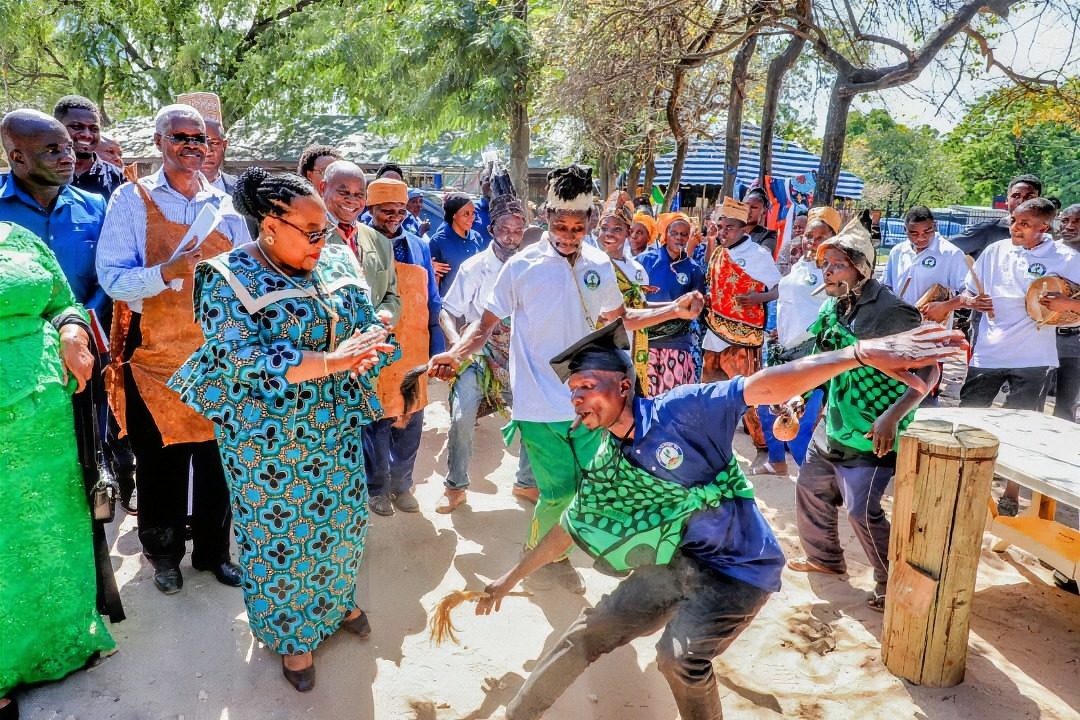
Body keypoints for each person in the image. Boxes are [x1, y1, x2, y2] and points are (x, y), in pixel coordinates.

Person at [476, 319, 967, 720]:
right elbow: (568, 528)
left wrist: (857, 354)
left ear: (624, 386)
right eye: (573, 390)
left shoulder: (681, 411)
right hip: (676, 563)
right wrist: (507, 578)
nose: (577, 397)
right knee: (588, 633)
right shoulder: (608, 461)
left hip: (739, 570)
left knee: (678, 656)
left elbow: (763, 385)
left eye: (587, 385)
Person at [169, 168, 397, 692]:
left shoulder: (334, 257)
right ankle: (292, 636)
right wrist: (332, 361)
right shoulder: (225, 277)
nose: (325, 241)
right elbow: (243, 359)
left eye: (326, 230)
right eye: (312, 232)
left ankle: (336, 601)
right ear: (270, 225)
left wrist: (369, 347)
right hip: (265, 436)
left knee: (339, 522)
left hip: (333, 422)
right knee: (281, 536)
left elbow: (362, 319)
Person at [428, 164, 704, 594]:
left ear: (589, 222)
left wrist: (673, 309)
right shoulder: (521, 265)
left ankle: (559, 550)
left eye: (578, 226)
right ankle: (538, 555)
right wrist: (454, 352)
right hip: (536, 403)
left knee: (587, 486)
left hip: (589, 402)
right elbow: (483, 325)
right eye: (560, 225)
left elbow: (622, 320)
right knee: (557, 492)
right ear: (548, 220)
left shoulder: (597, 262)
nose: (569, 234)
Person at [96, 104, 249, 595]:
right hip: (155, 358)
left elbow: (248, 274)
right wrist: (166, 273)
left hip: (217, 358)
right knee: (159, 466)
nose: (192, 146)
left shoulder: (224, 204)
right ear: (161, 141)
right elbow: (113, 279)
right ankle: (163, 556)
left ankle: (212, 554)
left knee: (216, 462)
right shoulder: (131, 199)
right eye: (181, 136)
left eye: (200, 139)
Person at [0, 221, 115, 719]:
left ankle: (67, 640)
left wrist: (71, 327)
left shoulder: (16, 236)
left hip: (48, 418)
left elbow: (62, 299)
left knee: (57, 530)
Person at [788, 220, 934, 613]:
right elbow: (821, 362)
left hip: (874, 430)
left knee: (861, 512)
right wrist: (800, 397)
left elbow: (929, 370)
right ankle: (826, 558)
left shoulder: (893, 313)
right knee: (810, 488)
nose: (828, 271)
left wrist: (892, 415)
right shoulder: (835, 305)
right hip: (835, 420)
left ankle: (891, 580)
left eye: (836, 264)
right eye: (825, 265)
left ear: (861, 268)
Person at [0, 109, 136, 513]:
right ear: (18, 158)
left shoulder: (95, 205)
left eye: (68, 148)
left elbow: (108, 276)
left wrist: (78, 323)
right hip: (19, 363)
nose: (68, 156)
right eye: (52, 149)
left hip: (87, 352)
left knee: (89, 454)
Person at [956, 198, 1080, 515]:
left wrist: (1066, 305)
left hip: (1034, 358)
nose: (1015, 228)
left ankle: (1010, 493)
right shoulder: (996, 251)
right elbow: (967, 292)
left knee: (1022, 428)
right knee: (970, 420)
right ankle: (962, 482)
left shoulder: (1066, 257)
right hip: (988, 353)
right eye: (1014, 221)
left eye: (1024, 224)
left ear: (1044, 227)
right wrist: (973, 303)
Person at [437, 179, 537, 513]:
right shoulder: (475, 267)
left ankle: (526, 483)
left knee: (533, 416)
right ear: (492, 228)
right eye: (505, 230)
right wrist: (455, 345)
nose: (511, 237)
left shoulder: (531, 267)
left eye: (517, 231)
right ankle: (455, 486)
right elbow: (447, 311)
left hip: (518, 357)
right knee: (462, 417)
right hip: (476, 355)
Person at [362, 178, 444, 516]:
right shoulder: (362, 243)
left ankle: (403, 484)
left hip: (414, 347)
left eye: (399, 210)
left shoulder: (419, 245)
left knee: (411, 418)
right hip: (379, 347)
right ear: (371, 209)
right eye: (386, 211)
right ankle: (377, 488)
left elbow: (433, 301)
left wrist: (436, 346)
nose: (393, 216)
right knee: (378, 421)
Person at [753, 206, 840, 476]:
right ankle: (776, 462)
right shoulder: (799, 264)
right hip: (783, 350)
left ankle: (811, 480)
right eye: (809, 236)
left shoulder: (835, 271)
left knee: (801, 421)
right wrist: (779, 329)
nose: (812, 242)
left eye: (820, 237)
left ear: (833, 239)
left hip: (812, 354)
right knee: (768, 410)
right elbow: (790, 301)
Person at [701, 197, 781, 453]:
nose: (724, 233)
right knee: (709, 390)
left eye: (730, 228)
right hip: (714, 332)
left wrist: (759, 298)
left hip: (743, 337)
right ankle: (709, 441)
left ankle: (767, 447)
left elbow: (779, 288)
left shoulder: (758, 255)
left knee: (749, 395)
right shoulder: (718, 251)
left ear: (743, 227)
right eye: (721, 227)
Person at [320, 160, 401, 325]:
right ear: (323, 188)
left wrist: (379, 323)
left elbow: (391, 297)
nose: (352, 200)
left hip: (371, 343)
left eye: (359, 195)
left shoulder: (381, 242)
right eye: (343, 192)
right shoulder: (309, 237)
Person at [636, 212, 707, 394]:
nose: (679, 237)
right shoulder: (644, 261)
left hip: (678, 343)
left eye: (684, 234)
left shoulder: (693, 269)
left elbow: (697, 306)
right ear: (665, 234)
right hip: (646, 342)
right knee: (644, 397)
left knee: (673, 400)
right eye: (674, 233)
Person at [595, 191, 652, 393]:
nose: (609, 234)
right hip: (603, 348)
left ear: (628, 233)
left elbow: (643, 308)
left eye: (617, 229)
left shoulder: (638, 270)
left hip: (634, 347)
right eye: (604, 228)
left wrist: (675, 307)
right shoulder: (591, 267)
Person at [882, 206, 969, 326]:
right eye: (914, 233)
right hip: (899, 326)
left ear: (934, 226)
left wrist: (944, 307)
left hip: (933, 330)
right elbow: (886, 285)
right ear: (905, 229)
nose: (921, 237)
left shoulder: (950, 254)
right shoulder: (897, 251)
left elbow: (969, 292)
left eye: (927, 232)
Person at [951, 174, 1041, 260]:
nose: (1022, 201)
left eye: (1029, 197)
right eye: (1016, 196)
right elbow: (945, 251)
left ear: (1039, 201)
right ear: (1007, 200)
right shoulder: (989, 230)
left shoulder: (1048, 236)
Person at [52, 95, 125, 200]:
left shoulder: (116, 177)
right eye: (77, 127)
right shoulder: (40, 172)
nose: (87, 134)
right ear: (57, 127)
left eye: (94, 129)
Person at [429, 192, 488, 295]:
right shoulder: (438, 241)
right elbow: (433, 277)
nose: (472, 218)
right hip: (448, 304)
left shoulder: (477, 238)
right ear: (453, 214)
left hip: (473, 304)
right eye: (466, 214)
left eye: (473, 213)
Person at [1053, 204, 1080, 423]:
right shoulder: (1047, 252)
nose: (1069, 226)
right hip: (1039, 336)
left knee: (1066, 406)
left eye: (1077, 221)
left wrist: (1068, 303)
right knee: (1032, 401)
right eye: (1065, 220)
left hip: (1075, 340)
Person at [743, 187, 778, 256]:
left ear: (763, 210)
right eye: (746, 206)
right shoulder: (733, 230)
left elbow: (763, 255)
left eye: (754, 207)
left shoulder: (768, 235)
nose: (749, 211)